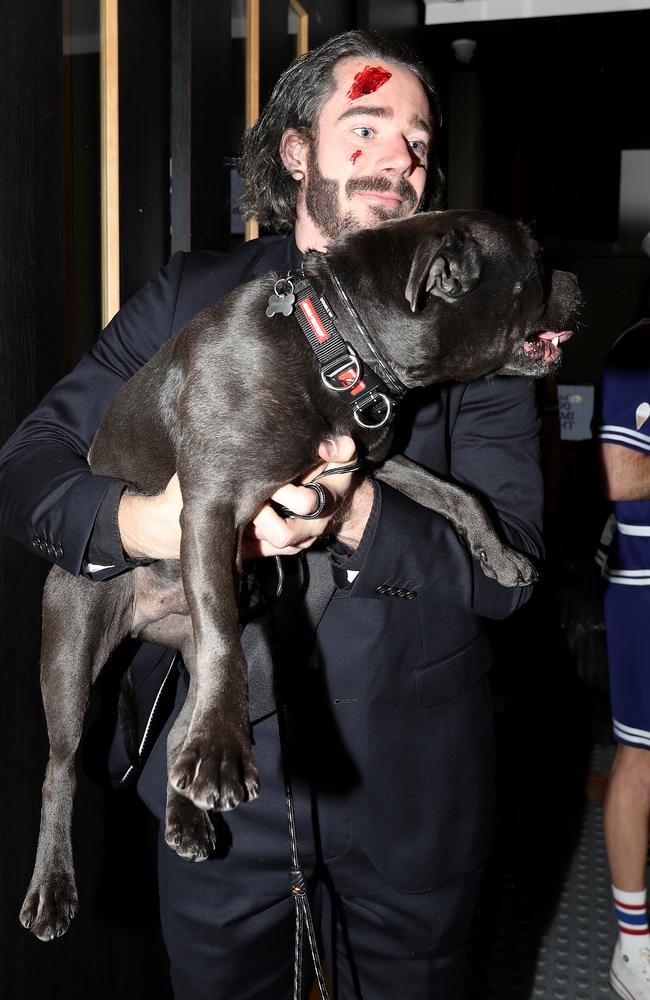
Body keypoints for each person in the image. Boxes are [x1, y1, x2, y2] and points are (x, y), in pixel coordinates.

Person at [0, 30, 544, 999]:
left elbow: (513, 572)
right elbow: (28, 471)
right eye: (365, 125)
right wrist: (147, 525)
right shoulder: (185, 295)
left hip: (412, 789)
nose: (397, 161)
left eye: (415, 142)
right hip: (213, 788)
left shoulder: (475, 326)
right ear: (296, 151)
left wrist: (355, 509)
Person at [597, 232, 650, 1000]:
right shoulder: (639, 350)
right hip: (647, 583)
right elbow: (623, 474)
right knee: (643, 759)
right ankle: (634, 946)